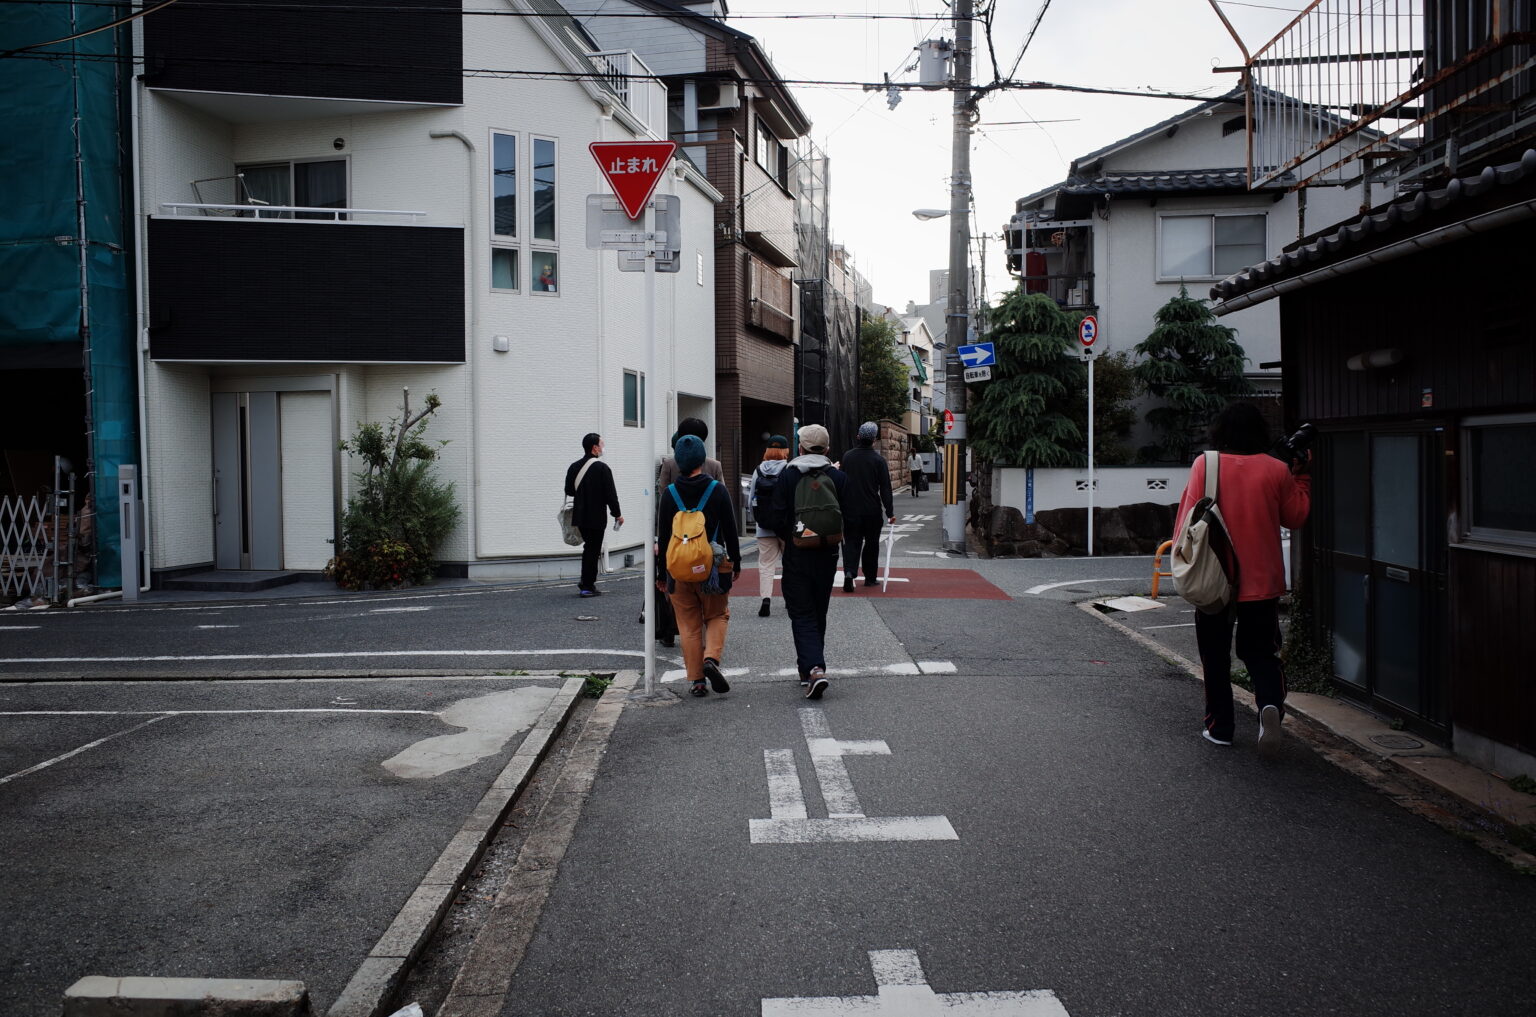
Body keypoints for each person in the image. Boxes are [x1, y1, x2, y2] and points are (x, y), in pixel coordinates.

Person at [1174, 402, 1310, 751]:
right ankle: (1268, 706)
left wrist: (1181, 557)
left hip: (1215, 578)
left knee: (1215, 656)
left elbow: (1188, 516)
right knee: (1262, 653)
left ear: (1221, 431)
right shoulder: (1277, 469)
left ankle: (1220, 728)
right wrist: (1302, 477)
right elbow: (1294, 517)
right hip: (1262, 583)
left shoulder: (1207, 463)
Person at [763, 424, 847, 700]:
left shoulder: (788, 476)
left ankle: (813, 668)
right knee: (818, 609)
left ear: (800, 448)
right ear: (827, 449)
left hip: (797, 552)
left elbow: (775, 517)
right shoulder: (837, 476)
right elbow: (849, 515)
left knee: (801, 612)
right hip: (828, 553)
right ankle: (809, 668)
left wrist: (788, 536)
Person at [657, 435, 740, 698]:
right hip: (713, 568)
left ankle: (697, 681)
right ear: (702, 460)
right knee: (717, 615)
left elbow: (664, 536)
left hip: (679, 570)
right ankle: (711, 660)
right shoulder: (717, 489)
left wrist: (662, 575)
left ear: (678, 462)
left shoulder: (669, 494)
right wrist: (735, 562)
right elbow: (730, 528)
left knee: (688, 624)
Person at [647, 418, 724, 646]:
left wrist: (659, 537)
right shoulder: (714, 465)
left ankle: (671, 630)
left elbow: (662, 501)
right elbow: (723, 502)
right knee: (706, 585)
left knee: (675, 582)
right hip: (708, 537)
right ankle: (702, 637)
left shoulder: (670, 465)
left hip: (675, 537)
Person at [838, 421, 895, 592]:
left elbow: (841, 483)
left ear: (858, 437)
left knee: (852, 542)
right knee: (871, 544)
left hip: (850, 509)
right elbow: (885, 488)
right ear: (875, 440)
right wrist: (890, 512)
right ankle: (870, 578)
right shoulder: (878, 460)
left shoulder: (847, 457)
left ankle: (849, 572)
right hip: (872, 509)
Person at [564, 432, 622, 598]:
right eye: (602, 444)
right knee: (592, 549)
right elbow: (611, 495)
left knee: (589, 547)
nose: (603, 448)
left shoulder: (574, 467)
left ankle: (586, 582)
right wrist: (617, 514)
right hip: (597, 516)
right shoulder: (603, 469)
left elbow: (569, 490)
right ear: (595, 448)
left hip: (580, 515)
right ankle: (587, 585)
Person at [750, 435, 792, 617]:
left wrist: (758, 520)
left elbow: (752, 499)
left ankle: (766, 599)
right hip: (785, 526)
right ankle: (789, 600)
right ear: (785, 451)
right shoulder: (789, 470)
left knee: (766, 564)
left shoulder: (758, 471)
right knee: (789, 563)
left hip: (764, 526)